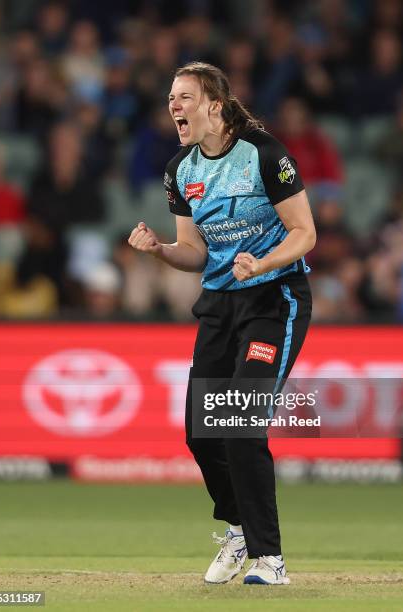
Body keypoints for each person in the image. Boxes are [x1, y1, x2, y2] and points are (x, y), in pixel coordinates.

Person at [128, 62, 315, 585]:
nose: (174, 106)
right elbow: (194, 252)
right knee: (199, 432)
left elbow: (305, 233)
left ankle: (269, 559)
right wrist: (161, 251)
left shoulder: (265, 155)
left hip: (273, 300)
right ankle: (236, 528)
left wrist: (264, 262)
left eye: (185, 96)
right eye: (170, 97)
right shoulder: (180, 171)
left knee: (239, 425)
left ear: (215, 105)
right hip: (219, 305)